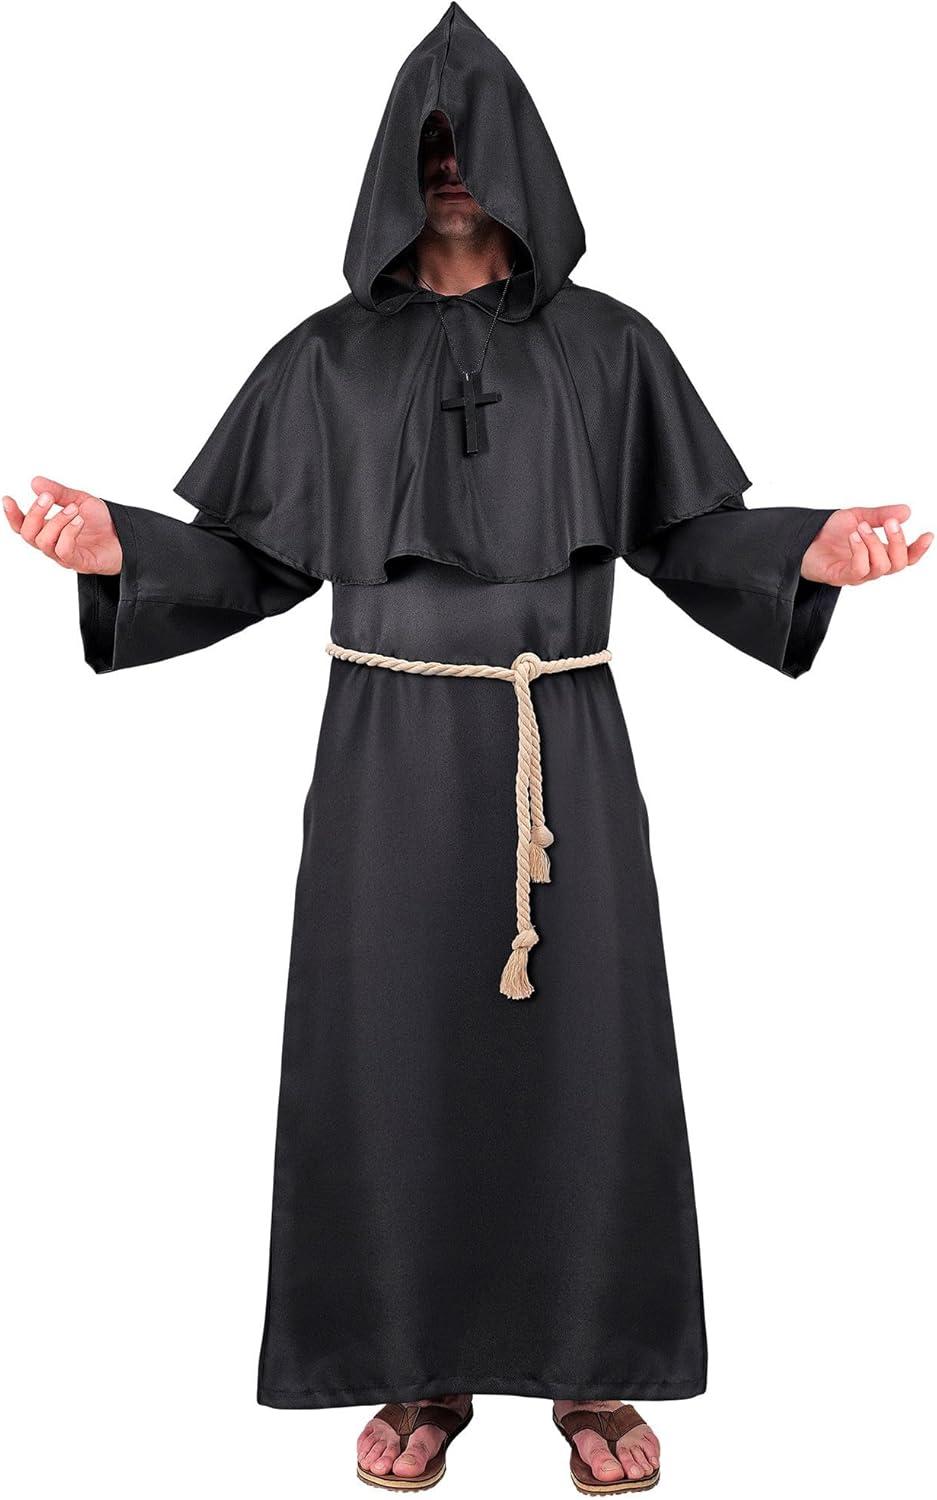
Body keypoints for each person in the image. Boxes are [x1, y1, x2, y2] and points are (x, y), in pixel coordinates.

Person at [4, 3, 931, 1494]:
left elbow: (687, 533)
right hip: (383, 749)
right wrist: (121, 548)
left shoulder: (610, 346)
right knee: (390, 1050)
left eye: (471, 138)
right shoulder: (324, 360)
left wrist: (806, 549)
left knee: (585, 1052)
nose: (450, 163)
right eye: (426, 140)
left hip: (561, 736)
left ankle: (590, 1373)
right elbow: (250, 558)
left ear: (520, 156)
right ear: (392, 160)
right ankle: (415, 1368)